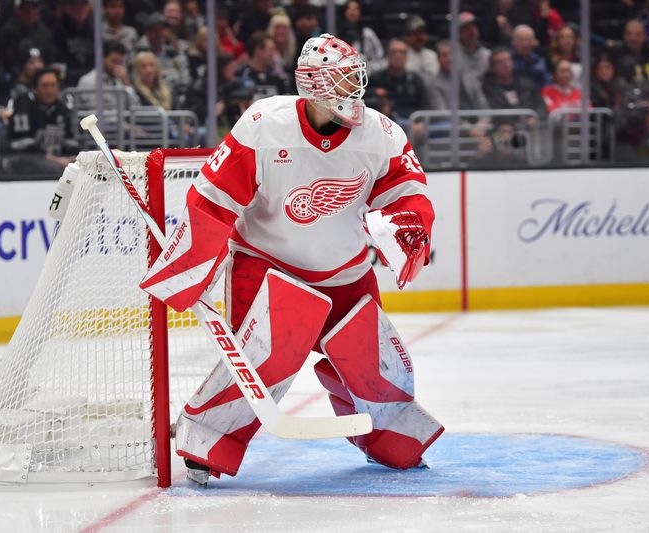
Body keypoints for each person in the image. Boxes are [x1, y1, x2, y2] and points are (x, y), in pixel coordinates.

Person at [140, 33, 443, 486]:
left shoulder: (382, 135)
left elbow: (409, 196)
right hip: (268, 266)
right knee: (269, 357)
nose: (352, 89)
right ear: (313, 84)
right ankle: (207, 438)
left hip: (347, 272)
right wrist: (192, 265)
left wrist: (405, 227)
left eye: (352, 78)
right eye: (340, 79)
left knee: (373, 362)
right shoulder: (263, 124)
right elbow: (212, 201)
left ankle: (390, 437)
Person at [6, 67, 77, 173]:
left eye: (53, 85)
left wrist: (73, 157)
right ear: (35, 88)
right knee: (53, 169)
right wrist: (54, 159)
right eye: (44, 86)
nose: (49, 90)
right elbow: (20, 145)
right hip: (26, 160)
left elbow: (70, 141)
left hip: (57, 160)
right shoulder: (23, 106)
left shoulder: (62, 109)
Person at [368, 38, 428, 131]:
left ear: (407, 57)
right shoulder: (375, 79)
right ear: (387, 55)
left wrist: (421, 122)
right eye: (394, 52)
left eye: (402, 52)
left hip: (413, 121)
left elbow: (423, 105)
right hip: (386, 124)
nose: (398, 55)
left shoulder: (415, 79)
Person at [236, 31, 287, 100]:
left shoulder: (276, 77)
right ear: (258, 50)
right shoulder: (242, 75)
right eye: (271, 49)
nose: (274, 54)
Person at [338, 0, 384, 75]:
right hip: (343, 76)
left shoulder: (368, 34)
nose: (352, 11)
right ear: (344, 12)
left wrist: (369, 69)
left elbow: (380, 57)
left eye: (356, 8)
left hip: (367, 75)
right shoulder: (337, 37)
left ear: (360, 12)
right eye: (349, 8)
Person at [511, 24, 550, 90]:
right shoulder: (507, 61)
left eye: (528, 40)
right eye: (521, 40)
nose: (525, 44)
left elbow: (546, 83)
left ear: (533, 42)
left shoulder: (539, 60)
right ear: (513, 42)